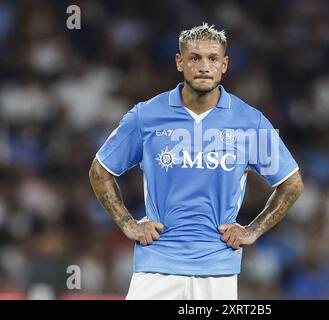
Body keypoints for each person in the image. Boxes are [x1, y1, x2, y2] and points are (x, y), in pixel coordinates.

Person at [89, 23, 304, 300]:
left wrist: (253, 230)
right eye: (195, 58)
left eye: (213, 58)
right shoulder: (146, 116)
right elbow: (100, 171)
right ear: (180, 62)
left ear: (224, 65)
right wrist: (127, 223)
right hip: (157, 264)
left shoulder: (250, 121)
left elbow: (292, 183)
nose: (204, 66)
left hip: (218, 268)